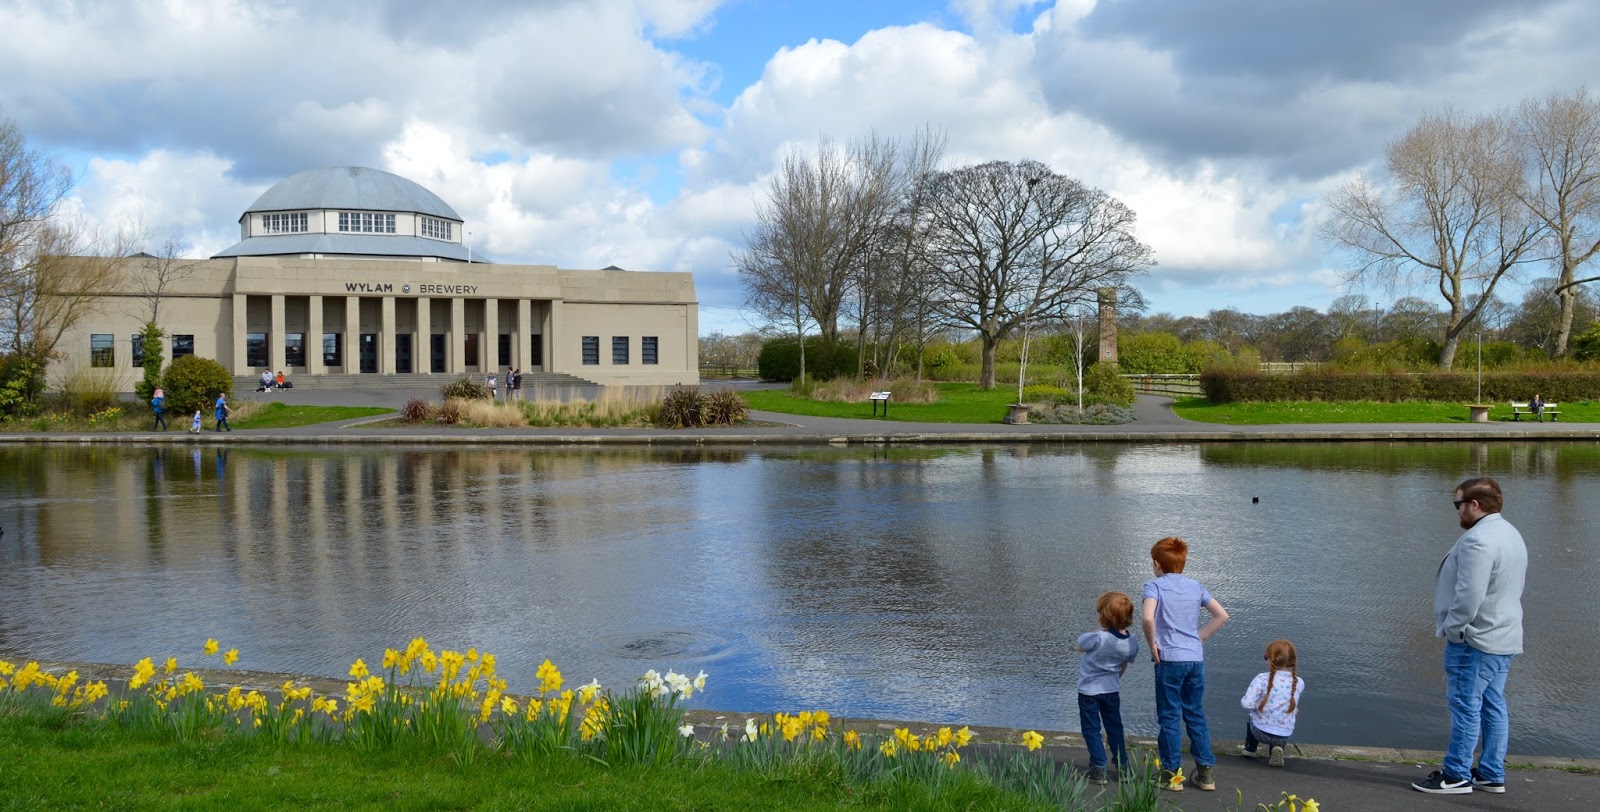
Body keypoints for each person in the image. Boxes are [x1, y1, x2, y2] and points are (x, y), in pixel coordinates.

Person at [1412, 477, 1527, 796]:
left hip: (1475, 640)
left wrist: (1455, 629)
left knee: (1465, 705)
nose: (1457, 511)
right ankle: (1491, 772)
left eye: (1458, 504)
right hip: (1504, 636)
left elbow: (1469, 594)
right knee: (1493, 705)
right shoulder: (1510, 533)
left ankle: (1456, 774)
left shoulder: (1479, 540)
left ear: (1474, 505)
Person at [1142, 536, 1229, 792]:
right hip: (1194, 659)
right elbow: (1221, 615)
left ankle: (1170, 774)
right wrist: (1198, 638)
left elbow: (1148, 618)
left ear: (1157, 564)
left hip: (1169, 660)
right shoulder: (1195, 586)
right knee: (1195, 713)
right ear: (1183, 563)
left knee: (1169, 717)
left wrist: (1153, 646)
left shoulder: (1154, 586)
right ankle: (1205, 773)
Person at [1077, 591, 1139, 785]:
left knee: (1091, 728)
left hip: (1089, 691)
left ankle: (1098, 767)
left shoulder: (1097, 637)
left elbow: (1079, 646)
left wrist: (1099, 629)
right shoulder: (1131, 642)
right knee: (1114, 728)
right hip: (1112, 690)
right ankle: (1123, 768)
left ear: (1103, 616)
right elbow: (1124, 665)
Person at [1239, 639, 1305, 768]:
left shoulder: (1261, 678)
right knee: (1286, 713)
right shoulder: (1299, 682)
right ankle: (1277, 749)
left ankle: (1250, 749)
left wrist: (1257, 708)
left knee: (1252, 715)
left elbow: (1246, 704)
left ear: (1270, 659)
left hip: (1260, 732)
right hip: (1284, 735)